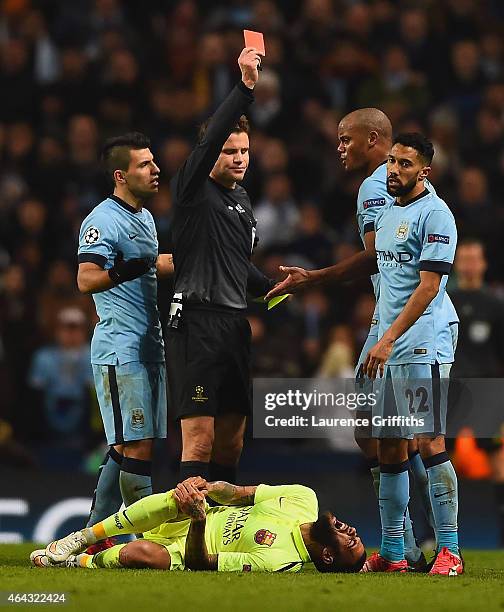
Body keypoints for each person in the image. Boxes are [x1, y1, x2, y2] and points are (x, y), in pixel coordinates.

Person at [270, 109, 457, 569]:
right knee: (386, 437)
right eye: (392, 162)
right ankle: (397, 549)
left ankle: (449, 548)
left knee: (428, 439)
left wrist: (386, 335)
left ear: (423, 170)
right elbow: (377, 261)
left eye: (404, 164)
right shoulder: (392, 207)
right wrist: (314, 279)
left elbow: (428, 286)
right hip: (389, 333)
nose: (394, 170)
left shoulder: (431, 212)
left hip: (419, 336)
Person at [167, 48, 275, 486]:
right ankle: (190, 536)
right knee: (200, 440)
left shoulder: (242, 200)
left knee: (233, 440)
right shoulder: (193, 189)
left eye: (245, 150)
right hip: (197, 322)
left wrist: (278, 285)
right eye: (229, 150)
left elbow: (237, 265)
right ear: (210, 153)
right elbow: (209, 140)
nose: (238, 158)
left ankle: (219, 531)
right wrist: (245, 88)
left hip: (234, 325)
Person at [77, 132, 173, 539]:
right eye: (144, 165)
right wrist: (120, 272)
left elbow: (153, 265)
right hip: (120, 350)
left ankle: (89, 536)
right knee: (138, 445)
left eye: (153, 162)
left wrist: (211, 260)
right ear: (121, 175)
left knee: (127, 444)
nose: (156, 170)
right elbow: (85, 279)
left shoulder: (145, 217)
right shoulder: (102, 219)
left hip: (150, 346)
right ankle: (147, 540)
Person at [31, 477, 366, 573]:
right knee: (180, 495)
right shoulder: (303, 498)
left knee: (141, 554)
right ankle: (81, 538)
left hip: (191, 541)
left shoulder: (281, 562)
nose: (352, 532)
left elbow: (202, 563)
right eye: (356, 536)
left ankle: (80, 561)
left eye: (351, 544)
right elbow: (240, 494)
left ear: (326, 555)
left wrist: (199, 519)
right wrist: (210, 488)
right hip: (188, 515)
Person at [451, 239, 504, 546]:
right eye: (465, 259)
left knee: (498, 457)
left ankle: (501, 531)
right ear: (457, 264)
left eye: (475, 259)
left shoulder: (495, 305)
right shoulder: (444, 300)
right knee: (438, 454)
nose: (470, 265)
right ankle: (435, 534)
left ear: (483, 264)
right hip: (451, 388)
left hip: (487, 390)